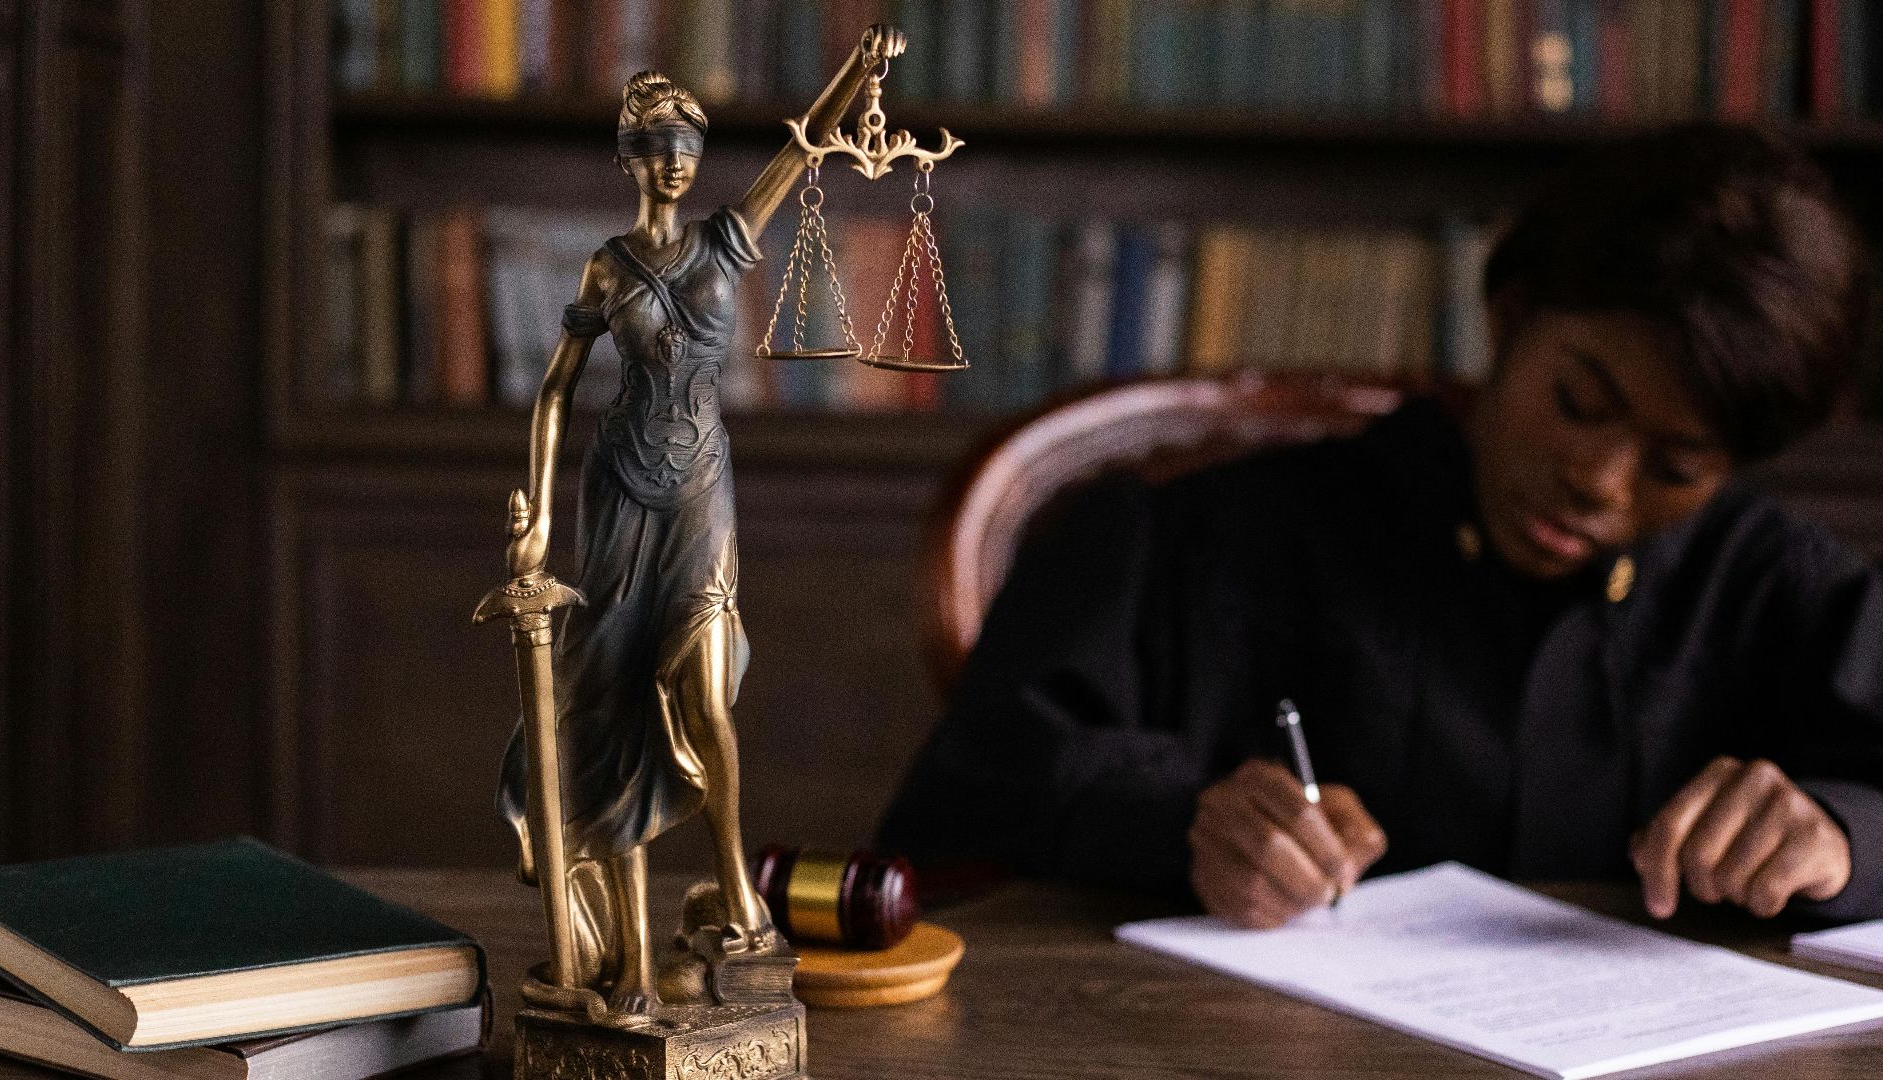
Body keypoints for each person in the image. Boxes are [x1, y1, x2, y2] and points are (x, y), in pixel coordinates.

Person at [877, 123, 1883, 927]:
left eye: (1676, 466)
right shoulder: (1199, 535)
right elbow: (966, 793)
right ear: (1509, 314)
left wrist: (1842, 837)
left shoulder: (1779, 587)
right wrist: (1183, 821)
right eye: (1580, 402)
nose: (1600, 483)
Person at [495, 30, 903, 1013]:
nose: (675, 158)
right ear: (630, 160)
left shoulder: (729, 236)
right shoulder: (606, 266)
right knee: (613, 698)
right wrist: (536, 520)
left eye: (687, 142)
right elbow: (555, 392)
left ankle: (736, 893)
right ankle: (619, 925)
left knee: (706, 692)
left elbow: (806, 146)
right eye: (657, 144)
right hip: (619, 498)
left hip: (700, 495)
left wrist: (864, 70)